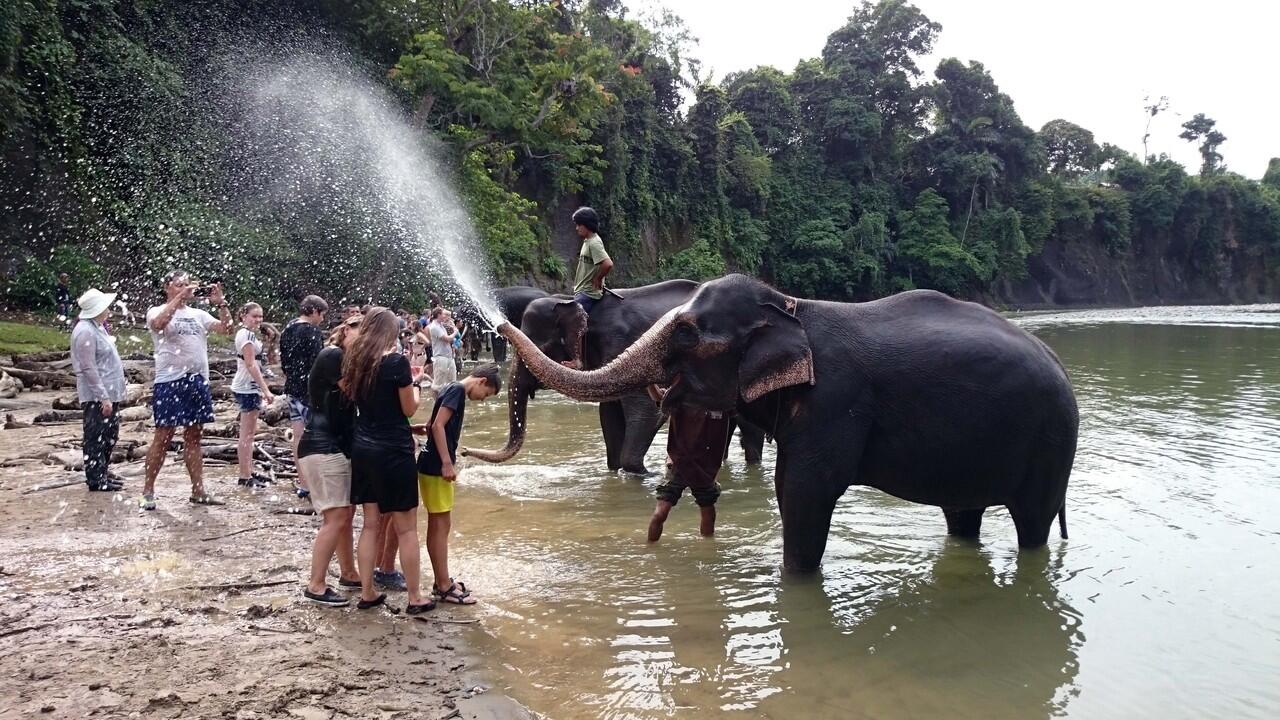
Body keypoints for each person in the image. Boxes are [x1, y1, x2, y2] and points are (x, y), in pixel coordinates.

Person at [341, 307, 433, 614]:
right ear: (391, 331)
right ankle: (415, 597)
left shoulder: (355, 361)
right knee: (406, 527)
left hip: (363, 448)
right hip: (393, 450)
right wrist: (417, 384)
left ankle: (367, 592)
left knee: (369, 525)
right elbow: (408, 409)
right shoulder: (396, 362)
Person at [140, 271, 233, 510]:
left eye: (187, 284)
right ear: (167, 287)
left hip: (197, 380)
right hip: (170, 380)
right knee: (164, 436)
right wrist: (178, 298)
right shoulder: (156, 309)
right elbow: (159, 324)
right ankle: (148, 490)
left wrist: (221, 303)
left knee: (194, 437)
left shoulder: (198, 314)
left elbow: (227, 329)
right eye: (179, 284)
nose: (185, 288)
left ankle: (198, 490)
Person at [415, 363, 501, 605]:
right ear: (481, 381)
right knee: (440, 526)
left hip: (430, 464)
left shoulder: (452, 390)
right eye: (486, 395)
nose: (482, 400)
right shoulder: (456, 391)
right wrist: (446, 462)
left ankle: (441, 579)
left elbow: (433, 425)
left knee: (441, 524)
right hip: (435, 467)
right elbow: (438, 426)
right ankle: (443, 586)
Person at [300, 312, 363, 606]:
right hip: (322, 446)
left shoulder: (348, 361)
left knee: (345, 514)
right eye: (356, 330)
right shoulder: (332, 355)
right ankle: (315, 584)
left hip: (336, 446)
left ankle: (348, 572)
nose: (362, 336)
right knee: (335, 517)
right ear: (344, 331)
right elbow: (357, 392)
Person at [646, 385, 733, 542]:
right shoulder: (680, 394)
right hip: (678, 462)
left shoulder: (722, 401)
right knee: (660, 513)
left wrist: (715, 467)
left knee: (707, 509)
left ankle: (707, 550)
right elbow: (659, 397)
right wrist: (648, 382)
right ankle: (650, 550)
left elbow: (723, 435)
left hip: (705, 466)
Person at [70, 288, 127, 492]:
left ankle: (102, 473)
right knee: (96, 436)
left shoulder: (98, 327)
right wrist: (103, 397)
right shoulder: (85, 330)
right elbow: (88, 367)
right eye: (106, 307)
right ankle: (95, 479)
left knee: (110, 434)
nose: (109, 310)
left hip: (109, 391)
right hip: (97, 394)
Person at [280, 295, 329, 497]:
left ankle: (304, 484)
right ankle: (317, 485)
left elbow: (284, 363)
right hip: (310, 391)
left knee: (298, 436)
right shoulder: (312, 331)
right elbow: (319, 363)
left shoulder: (288, 329)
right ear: (315, 311)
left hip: (292, 388)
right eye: (322, 315)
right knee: (317, 437)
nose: (322, 320)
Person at [231, 303, 275, 489]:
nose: (258, 320)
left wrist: (270, 341)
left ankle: (247, 470)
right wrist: (265, 389)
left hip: (248, 386)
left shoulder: (249, 335)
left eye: (260, 316)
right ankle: (245, 475)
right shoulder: (245, 335)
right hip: (246, 387)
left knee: (249, 434)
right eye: (254, 316)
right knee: (247, 435)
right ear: (243, 316)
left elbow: (261, 360)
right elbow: (250, 364)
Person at [564, 206, 613, 368]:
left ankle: (577, 360)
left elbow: (607, 263)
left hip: (589, 293)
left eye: (579, 224)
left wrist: (598, 279)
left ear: (587, 225)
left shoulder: (594, 243)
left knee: (574, 321)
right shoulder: (587, 241)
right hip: (582, 290)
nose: (577, 228)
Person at [428, 307, 458, 392]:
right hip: (440, 357)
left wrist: (452, 327)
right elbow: (447, 339)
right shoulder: (434, 327)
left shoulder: (441, 325)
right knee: (438, 385)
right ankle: (437, 403)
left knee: (452, 382)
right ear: (438, 315)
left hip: (448, 356)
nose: (445, 316)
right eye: (444, 314)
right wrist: (455, 332)